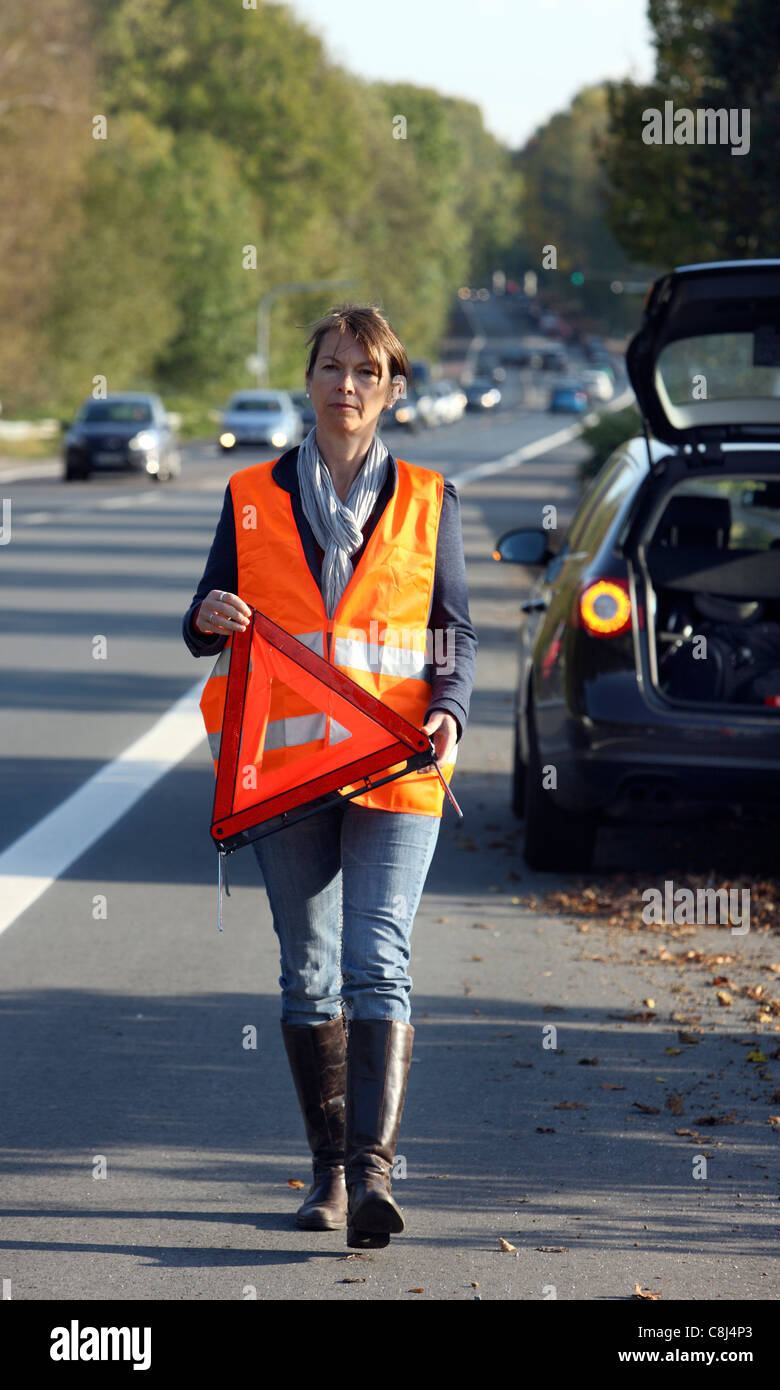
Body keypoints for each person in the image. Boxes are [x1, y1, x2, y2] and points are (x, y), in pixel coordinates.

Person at [182, 304, 477, 1248]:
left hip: (396, 767)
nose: (345, 385)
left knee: (375, 960)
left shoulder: (431, 498)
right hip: (287, 774)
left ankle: (374, 1180)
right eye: (331, 368)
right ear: (307, 382)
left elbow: (453, 634)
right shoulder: (250, 494)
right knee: (309, 974)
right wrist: (210, 615)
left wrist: (450, 709)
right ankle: (327, 1180)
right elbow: (200, 618)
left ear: (391, 391)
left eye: (365, 372)